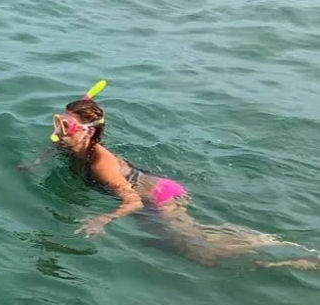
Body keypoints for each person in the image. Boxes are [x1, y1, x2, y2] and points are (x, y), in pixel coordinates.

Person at [48, 96, 319, 268]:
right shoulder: (71, 146)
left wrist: (102, 219)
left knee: (198, 250)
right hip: (151, 190)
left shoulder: (101, 165)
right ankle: (270, 247)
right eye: (59, 122)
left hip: (162, 196)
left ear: (88, 133)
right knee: (168, 245)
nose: (59, 131)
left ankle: (290, 257)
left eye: (66, 127)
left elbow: (133, 202)